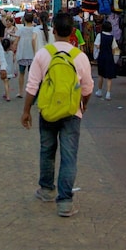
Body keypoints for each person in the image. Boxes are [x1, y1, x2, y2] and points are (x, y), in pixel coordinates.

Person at [21, 12, 94, 218]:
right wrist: (83, 105)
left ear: (53, 30)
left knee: (47, 150)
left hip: (48, 111)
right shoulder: (79, 57)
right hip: (72, 112)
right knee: (69, 156)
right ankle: (65, 203)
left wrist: (26, 111)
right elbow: (87, 88)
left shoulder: (44, 54)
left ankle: (46, 190)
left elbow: (32, 86)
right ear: (73, 32)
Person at [93, 20, 120, 101]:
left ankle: (99, 91)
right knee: (109, 77)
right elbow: (115, 48)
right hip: (109, 57)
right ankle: (108, 94)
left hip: (102, 56)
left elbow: (97, 45)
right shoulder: (112, 37)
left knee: (101, 75)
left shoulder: (99, 35)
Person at [14, 12, 39, 98]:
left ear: (24, 19)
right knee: (32, 75)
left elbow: (16, 42)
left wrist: (13, 52)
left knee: (21, 74)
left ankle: (20, 92)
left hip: (22, 54)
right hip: (32, 54)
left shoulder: (21, 30)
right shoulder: (35, 30)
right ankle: (32, 92)